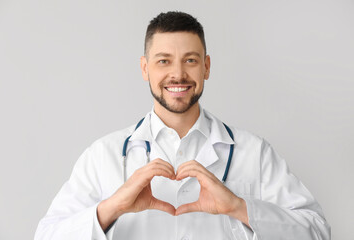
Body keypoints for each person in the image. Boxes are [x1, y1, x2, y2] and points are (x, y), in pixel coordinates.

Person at [35, 11, 330, 240]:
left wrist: (239, 207)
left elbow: (318, 231)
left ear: (207, 67)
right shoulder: (104, 155)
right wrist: (112, 208)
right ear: (144, 68)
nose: (178, 74)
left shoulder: (254, 152)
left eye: (190, 60)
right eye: (164, 61)